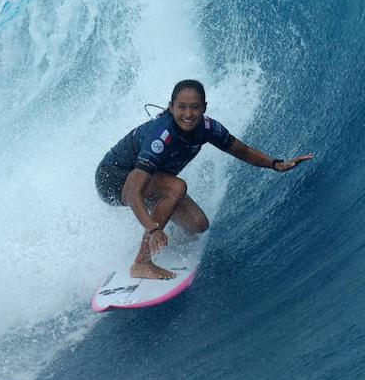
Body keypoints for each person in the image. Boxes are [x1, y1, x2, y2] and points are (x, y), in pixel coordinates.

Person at [95, 79, 313, 280]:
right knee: (176, 187)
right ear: (171, 107)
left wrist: (276, 164)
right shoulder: (161, 136)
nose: (188, 113)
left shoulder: (208, 129)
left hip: (148, 182)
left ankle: (161, 239)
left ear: (204, 108)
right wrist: (152, 228)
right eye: (182, 107)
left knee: (198, 225)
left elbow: (242, 151)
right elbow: (133, 192)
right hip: (113, 179)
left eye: (195, 107)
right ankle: (142, 262)